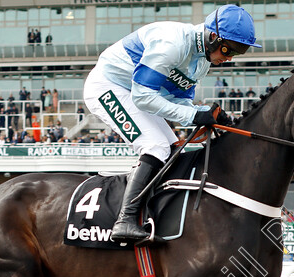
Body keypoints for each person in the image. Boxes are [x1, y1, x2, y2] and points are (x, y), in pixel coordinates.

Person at [83, 5, 260, 242]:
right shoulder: (172, 45)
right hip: (108, 87)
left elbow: (176, 100)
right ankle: (125, 220)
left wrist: (206, 112)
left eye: (237, 53)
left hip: (137, 92)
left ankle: (156, 213)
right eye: (228, 50)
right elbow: (143, 97)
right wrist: (195, 116)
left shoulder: (203, 61)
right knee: (155, 146)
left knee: (173, 148)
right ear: (213, 37)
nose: (228, 58)